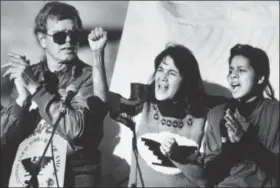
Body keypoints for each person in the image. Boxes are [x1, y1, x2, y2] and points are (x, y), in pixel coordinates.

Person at [1, 1, 108, 187]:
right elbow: (5, 140)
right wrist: (21, 101)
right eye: (59, 36)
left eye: (74, 35)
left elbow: (76, 130)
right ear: (43, 40)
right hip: (32, 170)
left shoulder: (89, 76)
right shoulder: (29, 75)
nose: (68, 41)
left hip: (73, 175)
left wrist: (35, 89)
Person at [108, 44, 209, 187]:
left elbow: (206, 181)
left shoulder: (204, 120)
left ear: (186, 81)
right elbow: (102, 101)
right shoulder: (141, 109)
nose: (162, 77)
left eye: (172, 73)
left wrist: (178, 157)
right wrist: (97, 53)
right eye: (160, 70)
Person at [203, 44, 279, 187]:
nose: (233, 75)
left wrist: (245, 141)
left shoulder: (276, 114)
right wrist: (230, 148)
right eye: (231, 70)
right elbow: (209, 177)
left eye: (241, 70)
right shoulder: (216, 115)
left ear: (260, 78)